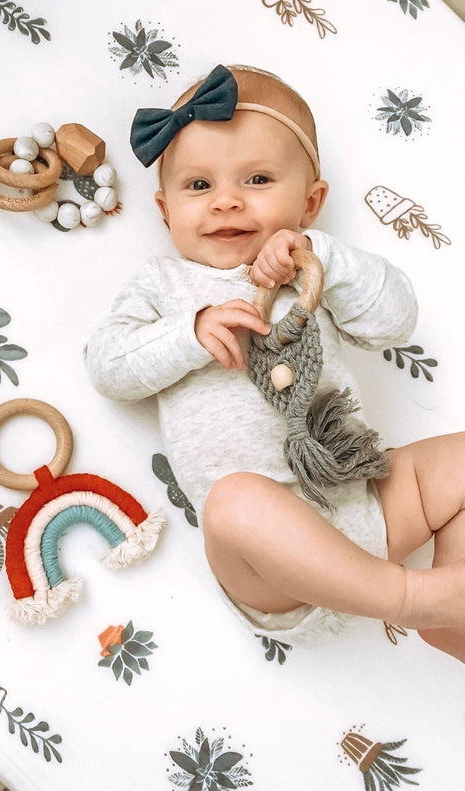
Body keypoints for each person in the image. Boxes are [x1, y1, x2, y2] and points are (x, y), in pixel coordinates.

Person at [85, 64, 465, 661]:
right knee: (235, 500)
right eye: (198, 185)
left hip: (363, 510)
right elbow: (108, 368)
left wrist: (322, 256)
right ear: (165, 210)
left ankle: (453, 607)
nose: (227, 201)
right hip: (271, 570)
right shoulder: (164, 286)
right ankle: (410, 598)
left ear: (310, 202)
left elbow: (394, 321)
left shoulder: (310, 270)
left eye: (258, 179)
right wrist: (189, 333)